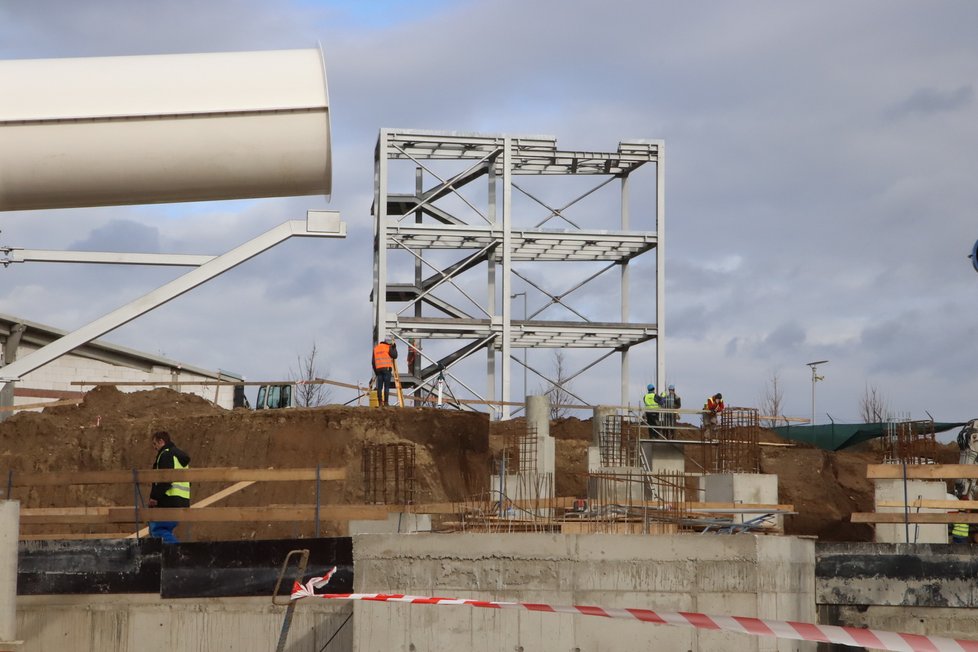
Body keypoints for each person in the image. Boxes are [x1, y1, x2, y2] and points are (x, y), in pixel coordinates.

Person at [149, 430, 191, 544]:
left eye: (155, 444)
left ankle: (178, 554)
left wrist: (155, 497)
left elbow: (165, 480)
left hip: (169, 500)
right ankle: (172, 556)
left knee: (158, 530)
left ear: (161, 441)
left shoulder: (166, 455)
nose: (154, 447)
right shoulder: (179, 457)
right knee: (163, 529)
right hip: (181, 501)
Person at [372, 337, 398, 406]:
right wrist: (394, 347)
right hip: (386, 370)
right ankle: (386, 402)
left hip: (379, 370)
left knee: (379, 387)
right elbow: (395, 356)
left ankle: (380, 402)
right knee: (386, 386)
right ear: (388, 342)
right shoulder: (388, 347)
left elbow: (373, 362)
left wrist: (376, 372)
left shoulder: (376, 348)